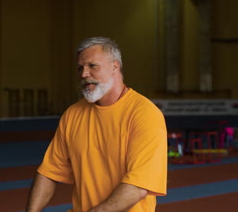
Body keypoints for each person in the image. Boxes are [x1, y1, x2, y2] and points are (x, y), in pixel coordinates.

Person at [26, 37, 167, 212]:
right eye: (80, 68)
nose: (84, 74)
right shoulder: (73, 114)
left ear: (115, 67)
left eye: (92, 66)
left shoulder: (144, 114)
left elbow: (138, 186)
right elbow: (49, 173)